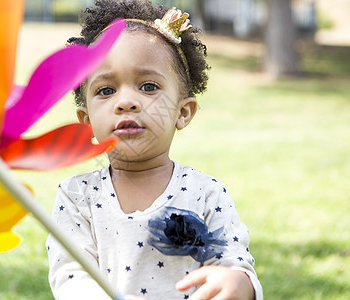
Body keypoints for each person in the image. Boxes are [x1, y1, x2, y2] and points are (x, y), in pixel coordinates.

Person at [46, 1, 263, 299]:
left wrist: (238, 282)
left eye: (148, 86)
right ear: (87, 123)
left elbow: (235, 265)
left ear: (183, 112)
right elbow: (69, 277)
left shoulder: (205, 193)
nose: (126, 102)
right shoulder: (76, 196)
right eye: (106, 90)